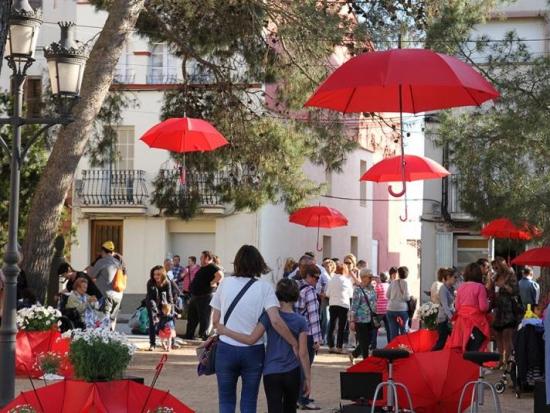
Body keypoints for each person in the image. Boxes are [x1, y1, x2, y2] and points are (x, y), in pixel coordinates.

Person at [211, 245, 298, 413]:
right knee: (249, 400)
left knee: (226, 400)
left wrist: (227, 331)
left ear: (237, 263)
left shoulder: (225, 284)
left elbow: (215, 320)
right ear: (259, 264)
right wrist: (293, 342)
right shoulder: (265, 288)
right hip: (253, 351)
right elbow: (276, 321)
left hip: (225, 349)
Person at [217, 278, 311, 413]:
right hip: (292, 371)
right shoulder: (301, 321)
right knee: (290, 409)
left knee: (274, 408)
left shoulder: (268, 316)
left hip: (271, 371)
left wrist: (226, 331)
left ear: (276, 295)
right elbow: (303, 353)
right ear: (296, 297)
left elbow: (252, 338)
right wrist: (308, 378)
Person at [294, 264, 323, 410]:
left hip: (295, 333)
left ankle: (296, 397)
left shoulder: (295, 287)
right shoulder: (310, 291)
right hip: (308, 333)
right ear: (308, 276)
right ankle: (303, 399)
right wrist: (318, 339)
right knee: (305, 368)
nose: (317, 280)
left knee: (296, 366)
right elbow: (313, 317)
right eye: (315, 277)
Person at [447, 262, 490, 352]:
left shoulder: (461, 287)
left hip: (461, 322)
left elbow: (457, 307)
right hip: (476, 322)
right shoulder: (480, 287)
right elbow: (483, 307)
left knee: (464, 351)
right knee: (475, 350)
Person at [185, 251, 223, 340]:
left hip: (205, 296)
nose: (200, 259)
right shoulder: (203, 268)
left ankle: (203, 336)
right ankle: (189, 335)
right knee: (192, 317)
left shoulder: (212, 266)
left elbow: (220, 275)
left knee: (204, 317)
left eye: (202, 257)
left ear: (207, 258)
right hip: (196, 296)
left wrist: (212, 282)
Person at [489, 257, 520, 365]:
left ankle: (507, 360)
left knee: (507, 334)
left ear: (501, 265)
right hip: (498, 308)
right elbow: (490, 290)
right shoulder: (496, 276)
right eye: (493, 267)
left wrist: (504, 285)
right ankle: (501, 360)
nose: (494, 269)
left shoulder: (510, 273)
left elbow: (515, 291)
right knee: (497, 334)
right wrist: (491, 281)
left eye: (496, 267)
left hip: (508, 308)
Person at [87, 241, 124, 330]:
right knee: (111, 321)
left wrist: (89, 268)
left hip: (106, 296)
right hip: (118, 297)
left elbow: (92, 275)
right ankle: (112, 340)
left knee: (104, 322)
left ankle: (105, 342)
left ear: (103, 251)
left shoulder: (102, 261)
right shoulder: (118, 262)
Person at [326, 261, 354, 354]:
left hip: (333, 304)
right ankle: (339, 347)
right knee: (341, 327)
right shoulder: (347, 280)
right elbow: (351, 294)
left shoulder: (332, 279)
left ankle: (331, 346)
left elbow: (327, 293)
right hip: (344, 304)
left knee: (332, 325)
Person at [349, 269, 377, 362]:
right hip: (360, 319)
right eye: (369, 277)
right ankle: (366, 361)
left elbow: (374, 302)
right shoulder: (357, 290)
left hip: (370, 319)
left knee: (368, 341)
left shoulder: (372, 288)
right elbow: (354, 307)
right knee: (364, 341)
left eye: (371, 277)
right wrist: (352, 321)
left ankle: (354, 354)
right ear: (364, 278)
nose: (371, 279)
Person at [146, 265, 174, 351]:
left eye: (158, 274)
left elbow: (170, 297)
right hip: (152, 305)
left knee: (169, 322)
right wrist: (156, 313)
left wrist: (170, 310)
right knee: (153, 323)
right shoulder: (150, 282)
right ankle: (152, 344)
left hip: (164, 305)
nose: (156, 276)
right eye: (154, 274)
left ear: (162, 274)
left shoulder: (167, 282)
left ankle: (172, 342)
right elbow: (150, 298)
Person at [432, 269, 457, 350]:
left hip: (449, 319)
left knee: (455, 341)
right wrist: (452, 318)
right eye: (454, 277)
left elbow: (452, 305)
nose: (456, 279)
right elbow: (445, 306)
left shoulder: (451, 288)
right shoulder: (443, 289)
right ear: (448, 277)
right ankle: (431, 358)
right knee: (441, 343)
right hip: (444, 319)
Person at [386, 266, 410, 341]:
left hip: (391, 308)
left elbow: (387, 295)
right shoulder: (405, 283)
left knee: (393, 331)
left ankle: (393, 348)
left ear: (398, 274)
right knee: (404, 330)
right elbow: (407, 297)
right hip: (402, 309)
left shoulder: (393, 282)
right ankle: (403, 348)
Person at [320, 259, 336, 342]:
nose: (327, 267)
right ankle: (323, 337)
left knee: (332, 320)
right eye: (325, 266)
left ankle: (330, 337)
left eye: (329, 265)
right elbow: (319, 287)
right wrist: (322, 294)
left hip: (334, 299)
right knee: (326, 319)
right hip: (325, 299)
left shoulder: (335, 276)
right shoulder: (322, 276)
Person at [374, 272, 391, 345]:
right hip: (387, 310)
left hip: (379, 310)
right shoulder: (389, 286)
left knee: (375, 328)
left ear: (380, 278)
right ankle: (390, 344)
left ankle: (373, 345)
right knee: (389, 328)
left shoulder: (378, 286)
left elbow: (375, 297)